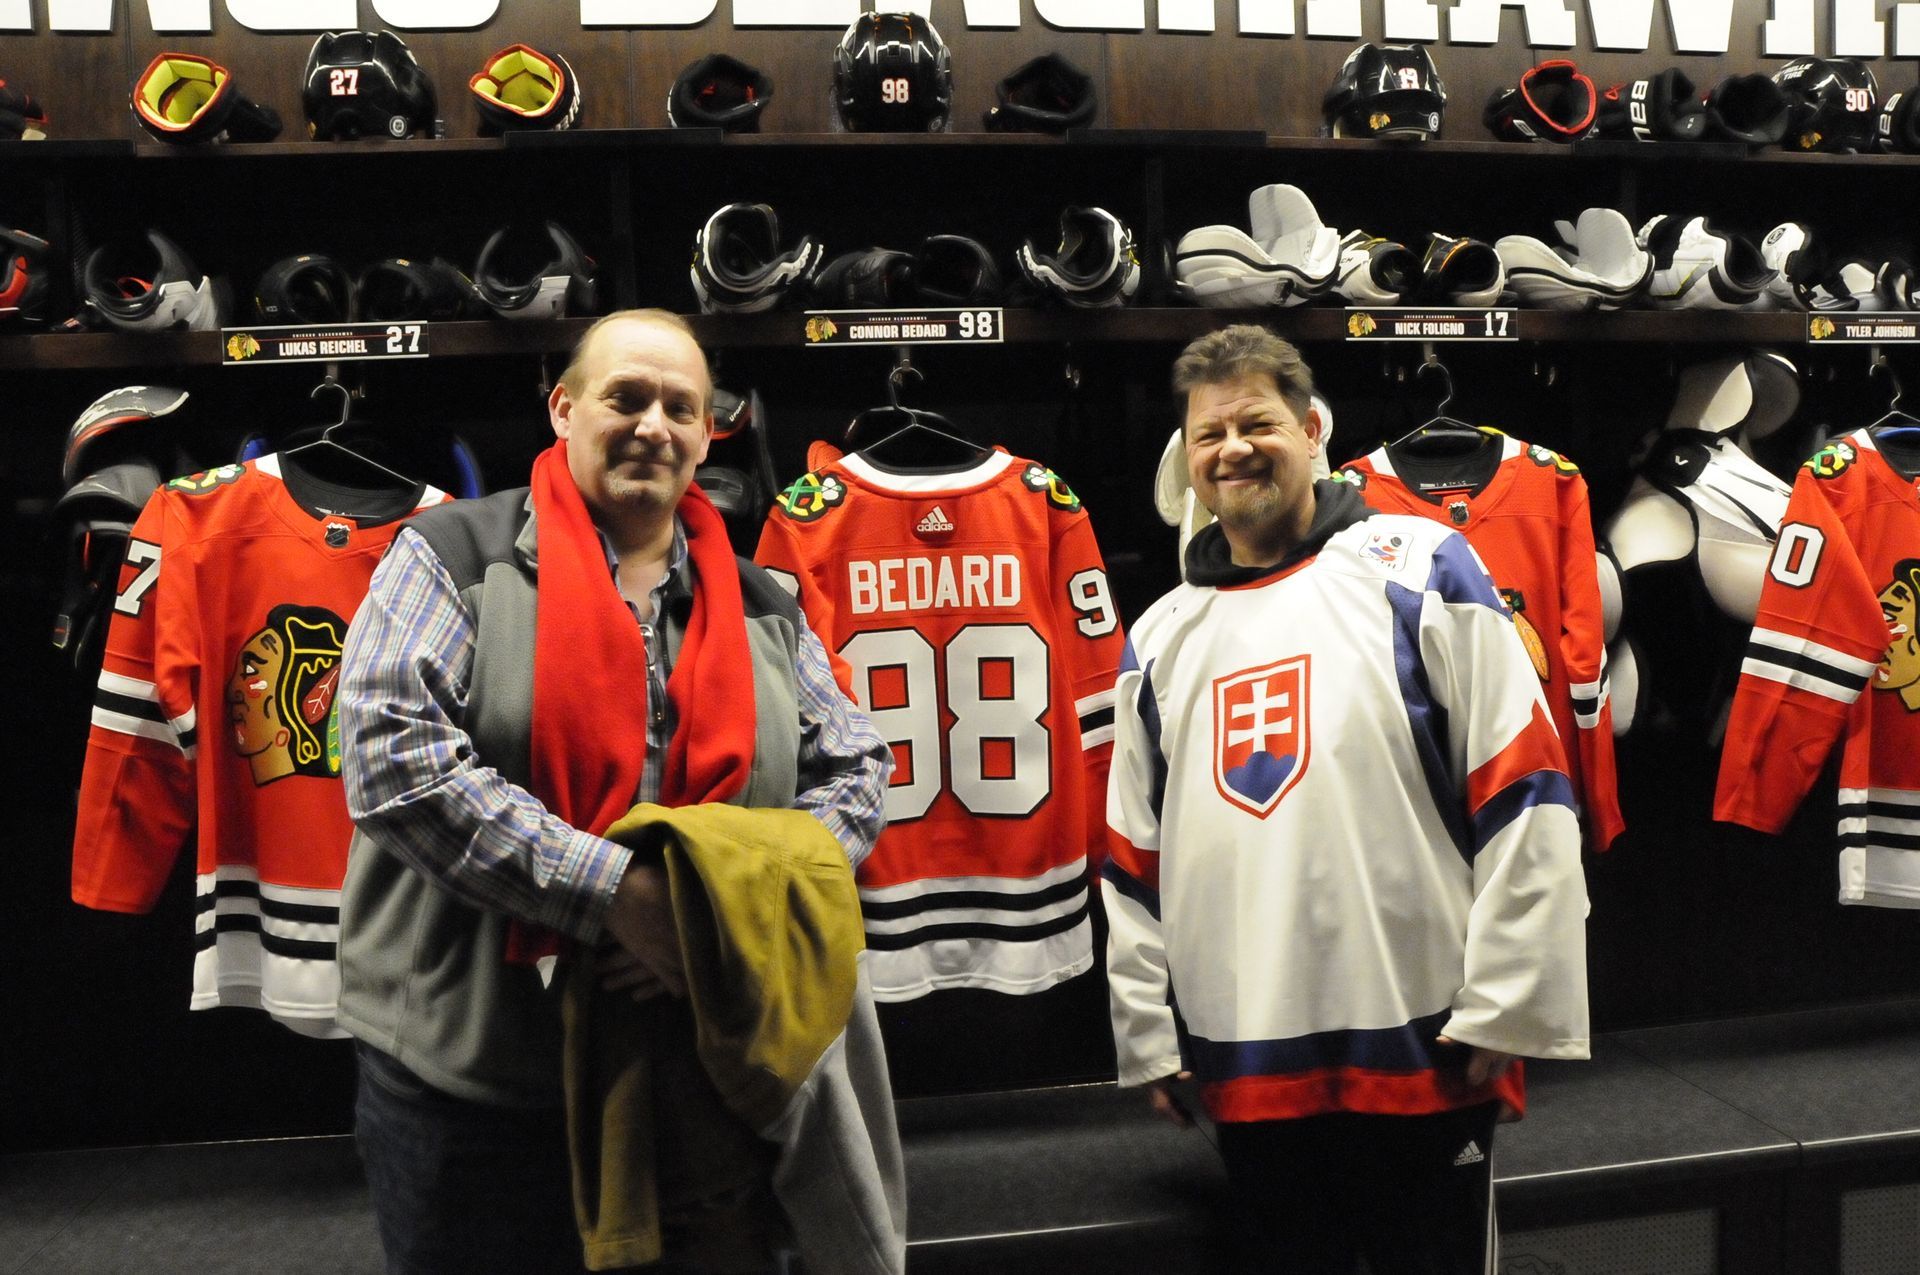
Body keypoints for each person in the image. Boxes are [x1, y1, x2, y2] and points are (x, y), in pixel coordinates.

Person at [333, 309, 894, 1275]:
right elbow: (393, 759)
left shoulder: (766, 602)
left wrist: (706, 909)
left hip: (692, 1070)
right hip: (477, 1095)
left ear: (711, 430)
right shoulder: (452, 557)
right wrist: (617, 901)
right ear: (563, 408)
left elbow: (858, 774)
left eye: (682, 407)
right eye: (624, 398)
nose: (655, 426)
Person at [1102, 325, 1590, 1275]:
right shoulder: (1161, 634)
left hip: (1424, 1042)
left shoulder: (1422, 566)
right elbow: (1133, 855)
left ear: (1313, 427)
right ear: (1188, 459)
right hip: (1246, 1053)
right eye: (1209, 434)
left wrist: (1506, 1001)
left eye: (1257, 422)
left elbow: (1527, 789)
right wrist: (1149, 1031)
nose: (1232, 449)